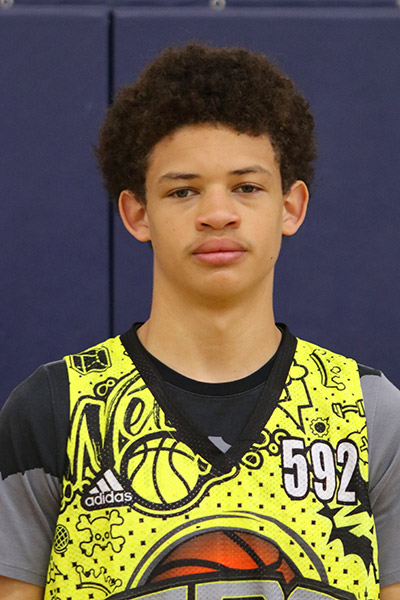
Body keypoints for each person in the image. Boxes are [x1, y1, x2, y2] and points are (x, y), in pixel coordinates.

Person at [0, 43, 399, 600]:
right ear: (138, 213)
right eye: (183, 190)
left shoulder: (371, 414)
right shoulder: (55, 410)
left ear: (291, 207)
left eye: (246, 187)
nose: (217, 213)